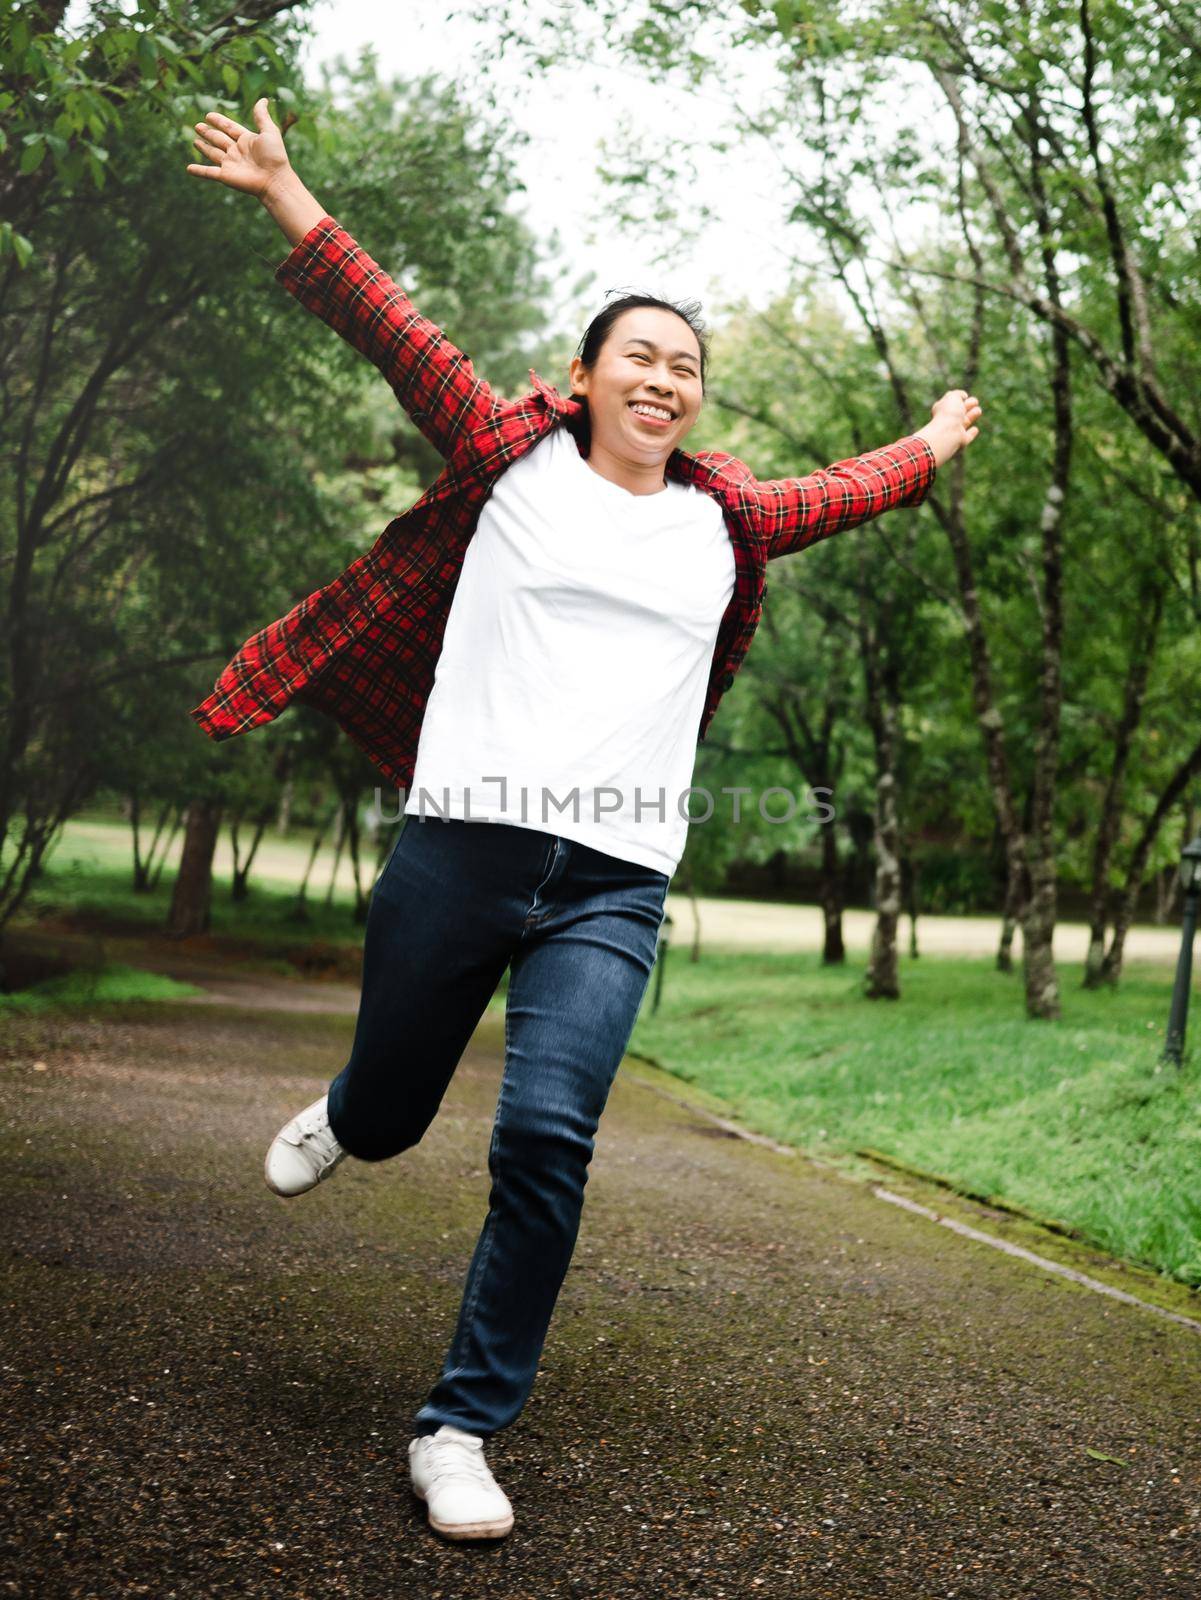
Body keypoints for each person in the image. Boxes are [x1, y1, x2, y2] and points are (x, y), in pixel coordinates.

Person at [186, 98, 982, 1544]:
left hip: (612, 880)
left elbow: (848, 489)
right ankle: (351, 1112)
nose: (665, 379)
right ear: (588, 373)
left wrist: (928, 438)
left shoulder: (724, 520)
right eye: (642, 355)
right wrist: (285, 192)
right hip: (461, 843)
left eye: (686, 366)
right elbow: (390, 325)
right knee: (392, 1108)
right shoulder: (509, 456)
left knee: (547, 1138)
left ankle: (460, 1424)